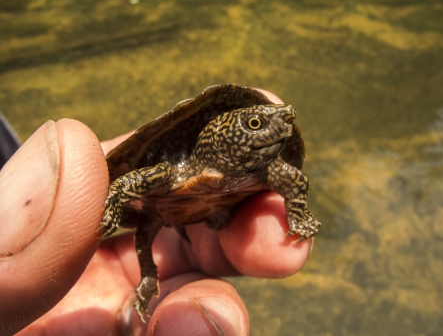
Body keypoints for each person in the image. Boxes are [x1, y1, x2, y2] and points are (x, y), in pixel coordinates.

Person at [0, 91, 313, 336]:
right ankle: (149, 277)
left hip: (219, 206)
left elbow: (296, 183)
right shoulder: (171, 170)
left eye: (282, 124)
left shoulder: (270, 170)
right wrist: (111, 205)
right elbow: (125, 183)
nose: (280, 126)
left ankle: (212, 225)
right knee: (147, 230)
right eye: (256, 124)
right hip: (160, 208)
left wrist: (297, 214)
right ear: (216, 134)